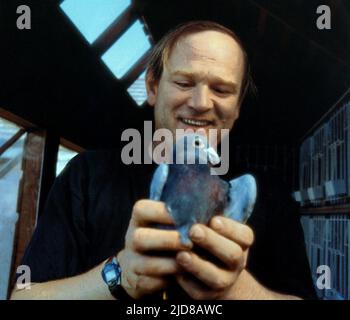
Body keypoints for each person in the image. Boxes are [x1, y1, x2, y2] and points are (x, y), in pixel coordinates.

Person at [10, 21, 316, 300]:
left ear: (237, 107)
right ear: (153, 87)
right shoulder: (87, 176)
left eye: (221, 90)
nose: (200, 103)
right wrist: (120, 276)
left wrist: (237, 290)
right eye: (184, 83)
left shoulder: (271, 195)